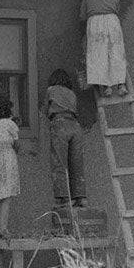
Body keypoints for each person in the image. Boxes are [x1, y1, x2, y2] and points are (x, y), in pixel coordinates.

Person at [40, 68, 88, 209]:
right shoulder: (72, 94)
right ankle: (81, 197)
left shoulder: (51, 90)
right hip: (75, 126)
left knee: (59, 162)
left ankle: (63, 198)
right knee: (76, 163)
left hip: (60, 124)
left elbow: (44, 110)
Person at [80, 0, 127, 96]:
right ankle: (121, 85)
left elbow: (82, 16)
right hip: (113, 22)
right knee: (116, 53)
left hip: (95, 22)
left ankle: (106, 87)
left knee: (99, 54)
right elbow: (117, 10)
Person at [0, 95, 21, 240]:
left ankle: (1, 226)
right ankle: (3, 229)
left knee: (0, 195)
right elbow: (16, 143)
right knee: (7, 195)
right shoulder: (10, 124)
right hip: (7, 157)